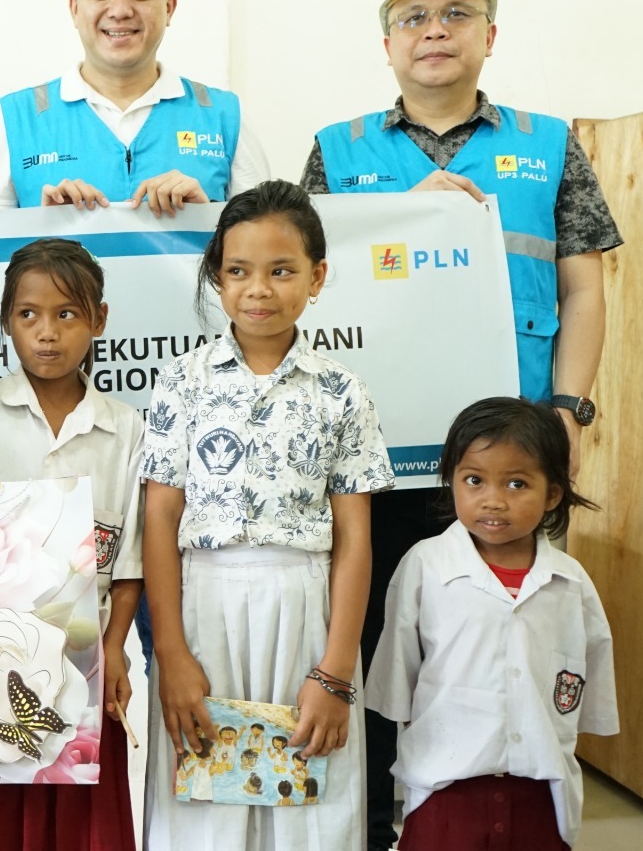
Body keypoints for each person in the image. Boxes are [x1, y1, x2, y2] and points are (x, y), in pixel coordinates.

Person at [301, 0, 623, 851]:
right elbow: (307, 283)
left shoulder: (548, 145)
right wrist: (416, 218)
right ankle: (378, 824)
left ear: (489, 35)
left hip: (508, 457)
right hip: (378, 453)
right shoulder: (336, 150)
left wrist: (569, 408)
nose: (434, 31)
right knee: (377, 639)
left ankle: (513, 818)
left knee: (505, 640)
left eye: (456, 14)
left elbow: (584, 287)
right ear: (388, 44)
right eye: (414, 17)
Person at [140, 181, 395, 848]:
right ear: (216, 279)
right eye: (238, 271)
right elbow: (159, 520)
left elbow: (355, 539)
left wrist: (334, 671)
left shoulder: (342, 392)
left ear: (317, 277)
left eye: (282, 271)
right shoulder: (182, 381)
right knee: (204, 807)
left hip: (306, 610)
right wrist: (171, 653)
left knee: (309, 799)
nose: (258, 289)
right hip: (204, 608)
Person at [0, 238, 144, 851]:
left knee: (81, 828)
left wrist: (116, 649)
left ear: (99, 319)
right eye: (28, 314)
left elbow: (130, 563)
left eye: (67, 314)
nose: (47, 332)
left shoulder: (125, 430)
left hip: (84, 670)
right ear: (6, 321)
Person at [365, 397, 618, 849]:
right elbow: (396, 677)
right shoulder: (425, 566)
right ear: (451, 481)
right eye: (474, 480)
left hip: (541, 788)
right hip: (445, 788)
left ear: (553, 494)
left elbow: (588, 672)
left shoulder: (571, 581)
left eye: (517, 483)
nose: (494, 501)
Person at [0, 0, 270, 216]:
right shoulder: (16, 119)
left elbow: (268, 239)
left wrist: (207, 218)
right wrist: (45, 227)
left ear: (169, 7)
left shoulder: (225, 117)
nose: (121, 10)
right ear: (74, 8)